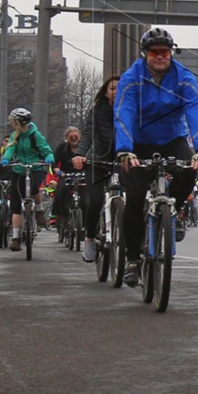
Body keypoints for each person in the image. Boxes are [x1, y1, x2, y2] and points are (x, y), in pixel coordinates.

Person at [114, 27, 198, 287]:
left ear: (171, 53)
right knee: (134, 198)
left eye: (165, 52)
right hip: (136, 143)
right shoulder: (131, 78)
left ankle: (174, 212)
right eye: (155, 52)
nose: (160, 57)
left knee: (190, 171)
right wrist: (124, 149)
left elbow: (194, 110)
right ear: (145, 54)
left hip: (172, 139)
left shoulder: (184, 78)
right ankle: (133, 260)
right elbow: (124, 111)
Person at [0, 107, 55, 252]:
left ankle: (39, 210)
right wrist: (6, 158)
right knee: (16, 203)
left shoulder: (35, 135)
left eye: (13, 121)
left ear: (18, 121)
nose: (11, 123)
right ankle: (16, 238)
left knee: (35, 186)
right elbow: (10, 149)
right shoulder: (14, 135)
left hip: (35, 167)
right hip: (19, 169)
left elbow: (45, 148)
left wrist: (49, 157)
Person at [81, 77, 117, 264]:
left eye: (121, 88)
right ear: (105, 92)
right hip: (98, 162)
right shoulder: (97, 111)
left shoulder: (131, 110)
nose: (116, 91)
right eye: (113, 88)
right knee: (94, 201)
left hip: (124, 161)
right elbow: (88, 134)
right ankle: (89, 238)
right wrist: (80, 154)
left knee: (135, 198)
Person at [52, 125, 86, 235]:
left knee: (87, 197)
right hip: (66, 175)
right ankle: (64, 216)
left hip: (82, 175)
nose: (74, 138)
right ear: (67, 137)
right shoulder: (61, 148)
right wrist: (58, 171)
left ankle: (84, 223)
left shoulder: (84, 148)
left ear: (79, 137)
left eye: (76, 136)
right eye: (71, 136)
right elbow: (54, 163)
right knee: (61, 191)